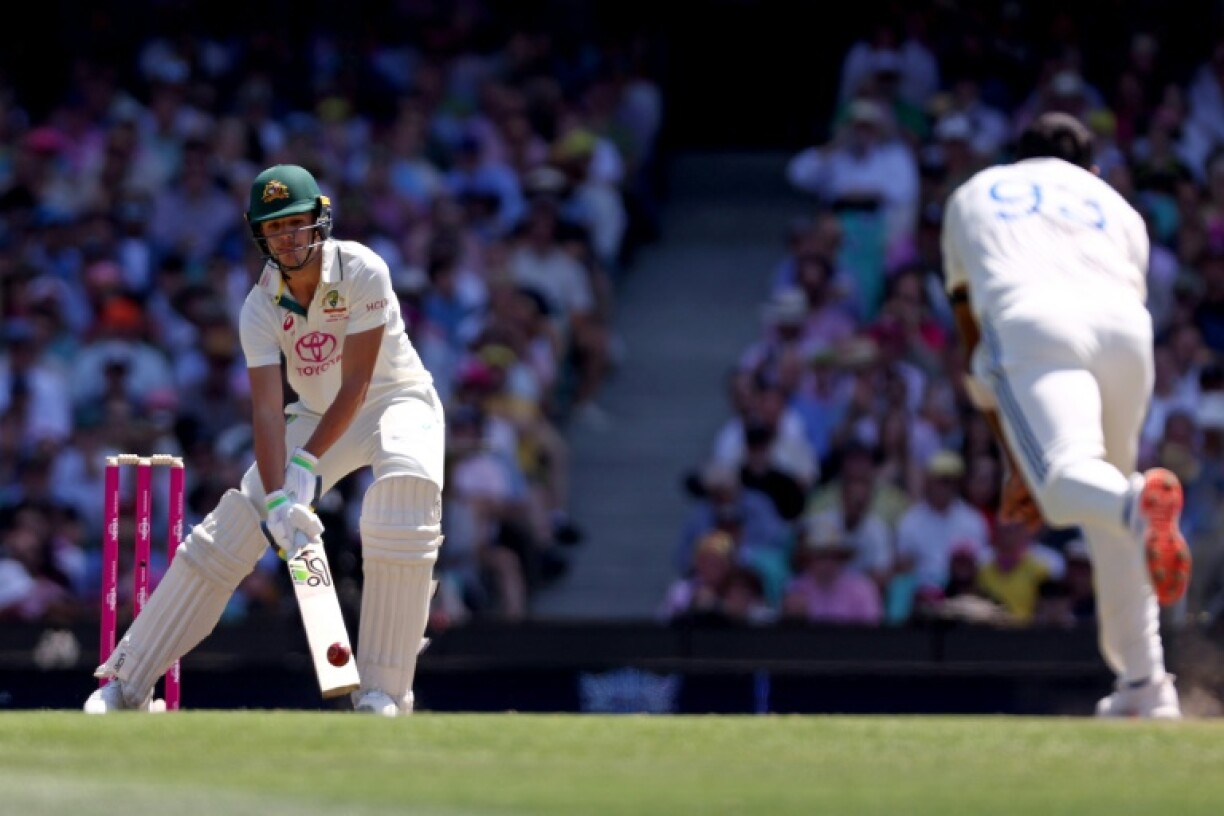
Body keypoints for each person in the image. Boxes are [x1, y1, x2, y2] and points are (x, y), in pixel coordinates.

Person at [84, 164, 446, 716]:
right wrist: (277, 498)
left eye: (296, 224)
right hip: (316, 414)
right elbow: (266, 411)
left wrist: (305, 463)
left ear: (318, 222)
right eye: (274, 228)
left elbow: (359, 383)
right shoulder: (258, 305)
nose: (287, 238)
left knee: (403, 497)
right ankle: (127, 683)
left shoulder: (362, 269)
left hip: (395, 401)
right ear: (260, 235)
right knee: (231, 528)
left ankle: (384, 691)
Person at [941, 112, 1192, 719]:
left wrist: (1008, 447)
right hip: (1127, 335)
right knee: (1107, 508)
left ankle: (1136, 504)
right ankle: (1145, 685)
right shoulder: (1118, 206)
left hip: (1034, 320)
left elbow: (970, 322)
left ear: (1016, 155)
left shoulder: (975, 193)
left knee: (1063, 487)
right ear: (1093, 168)